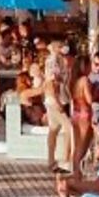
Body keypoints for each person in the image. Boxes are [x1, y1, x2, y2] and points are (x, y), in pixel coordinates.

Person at [43, 44, 73, 173]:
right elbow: (51, 82)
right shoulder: (53, 60)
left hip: (55, 100)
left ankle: (51, 160)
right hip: (56, 101)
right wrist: (57, 102)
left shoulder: (59, 60)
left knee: (54, 129)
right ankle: (66, 160)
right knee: (69, 129)